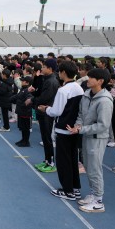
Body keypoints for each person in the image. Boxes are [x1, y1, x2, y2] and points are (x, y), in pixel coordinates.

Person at [67, 68, 113, 213]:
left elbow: (103, 125)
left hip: (97, 138)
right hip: (86, 135)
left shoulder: (105, 101)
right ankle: (94, 194)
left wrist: (81, 129)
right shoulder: (87, 95)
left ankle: (98, 201)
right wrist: (78, 125)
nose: (88, 80)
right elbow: (81, 113)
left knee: (94, 168)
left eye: (92, 78)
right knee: (88, 166)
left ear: (100, 81)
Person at [40, 61, 84, 201]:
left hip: (64, 129)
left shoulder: (63, 90)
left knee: (64, 161)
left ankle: (67, 191)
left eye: (60, 71)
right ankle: (75, 189)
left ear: (64, 72)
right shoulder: (78, 88)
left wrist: (45, 109)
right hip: (74, 129)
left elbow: (56, 111)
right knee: (72, 159)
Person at [27, 58, 59, 173]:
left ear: (50, 69)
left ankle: (51, 162)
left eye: (44, 67)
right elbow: (40, 92)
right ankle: (46, 160)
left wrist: (32, 100)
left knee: (47, 138)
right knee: (45, 138)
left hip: (46, 112)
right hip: (42, 111)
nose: (42, 69)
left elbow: (44, 97)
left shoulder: (51, 81)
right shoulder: (46, 79)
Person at [10, 75, 33, 147]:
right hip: (21, 111)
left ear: (27, 83)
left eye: (23, 81)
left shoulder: (28, 90)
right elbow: (17, 96)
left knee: (26, 128)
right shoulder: (23, 89)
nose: (21, 82)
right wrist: (9, 99)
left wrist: (23, 105)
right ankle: (23, 139)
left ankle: (26, 141)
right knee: (22, 127)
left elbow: (29, 99)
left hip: (25, 112)